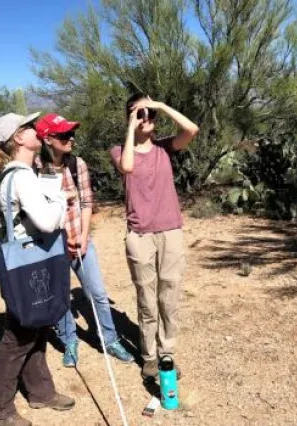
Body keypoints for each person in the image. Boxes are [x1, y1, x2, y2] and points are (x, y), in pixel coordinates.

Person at [0, 112, 75, 426]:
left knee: (35, 326)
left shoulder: (21, 173)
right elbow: (48, 221)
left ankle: (41, 393)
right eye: (29, 127)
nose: (36, 129)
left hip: (28, 261)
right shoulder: (21, 176)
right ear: (18, 138)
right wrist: (63, 199)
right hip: (27, 264)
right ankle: (0, 411)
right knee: (17, 336)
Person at [109, 93, 199, 381]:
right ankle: (148, 356)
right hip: (140, 234)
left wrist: (159, 106)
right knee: (146, 299)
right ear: (130, 118)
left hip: (170, 230)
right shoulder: (119, 150)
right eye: (140, 114)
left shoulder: (164, 148)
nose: (146, 118)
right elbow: (127, 167)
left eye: (150, 115)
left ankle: (167, 352)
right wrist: (132, 125)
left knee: (168, 297)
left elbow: (191, 130)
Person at [34, 113, 134, 367]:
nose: (71, 139)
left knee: (97, 293)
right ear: (48, 140)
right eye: (65, 134)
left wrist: (84, 236)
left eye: (72, 133)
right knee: (60, 297)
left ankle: (109, 339)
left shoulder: (78, 164)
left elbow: (87, 203)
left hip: (81, 239)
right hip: (51, 245)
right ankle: (69, 340)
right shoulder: (34, 168)